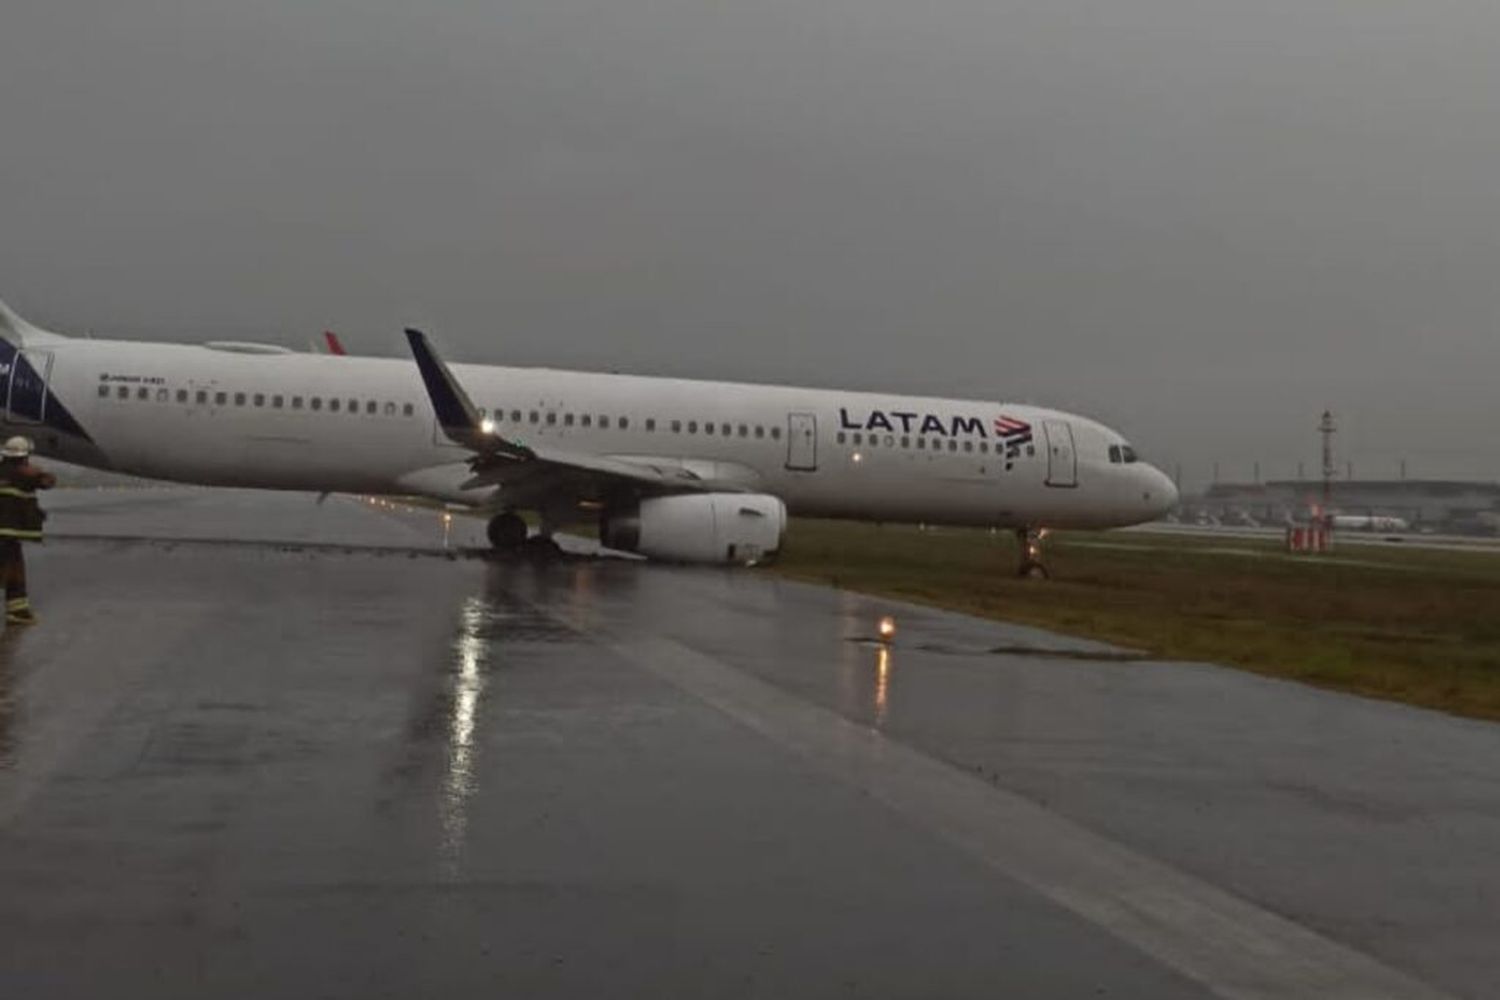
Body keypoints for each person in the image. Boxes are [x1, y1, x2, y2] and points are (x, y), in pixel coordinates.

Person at [0, 436, 55, 624]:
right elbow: (48, 482)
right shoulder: (23, 473)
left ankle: (18, 610)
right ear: (23, 456)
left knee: (12, 570)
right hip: (8, 533)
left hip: (7, 534)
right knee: (12, 571)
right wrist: (40, 473)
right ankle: (17, 612)